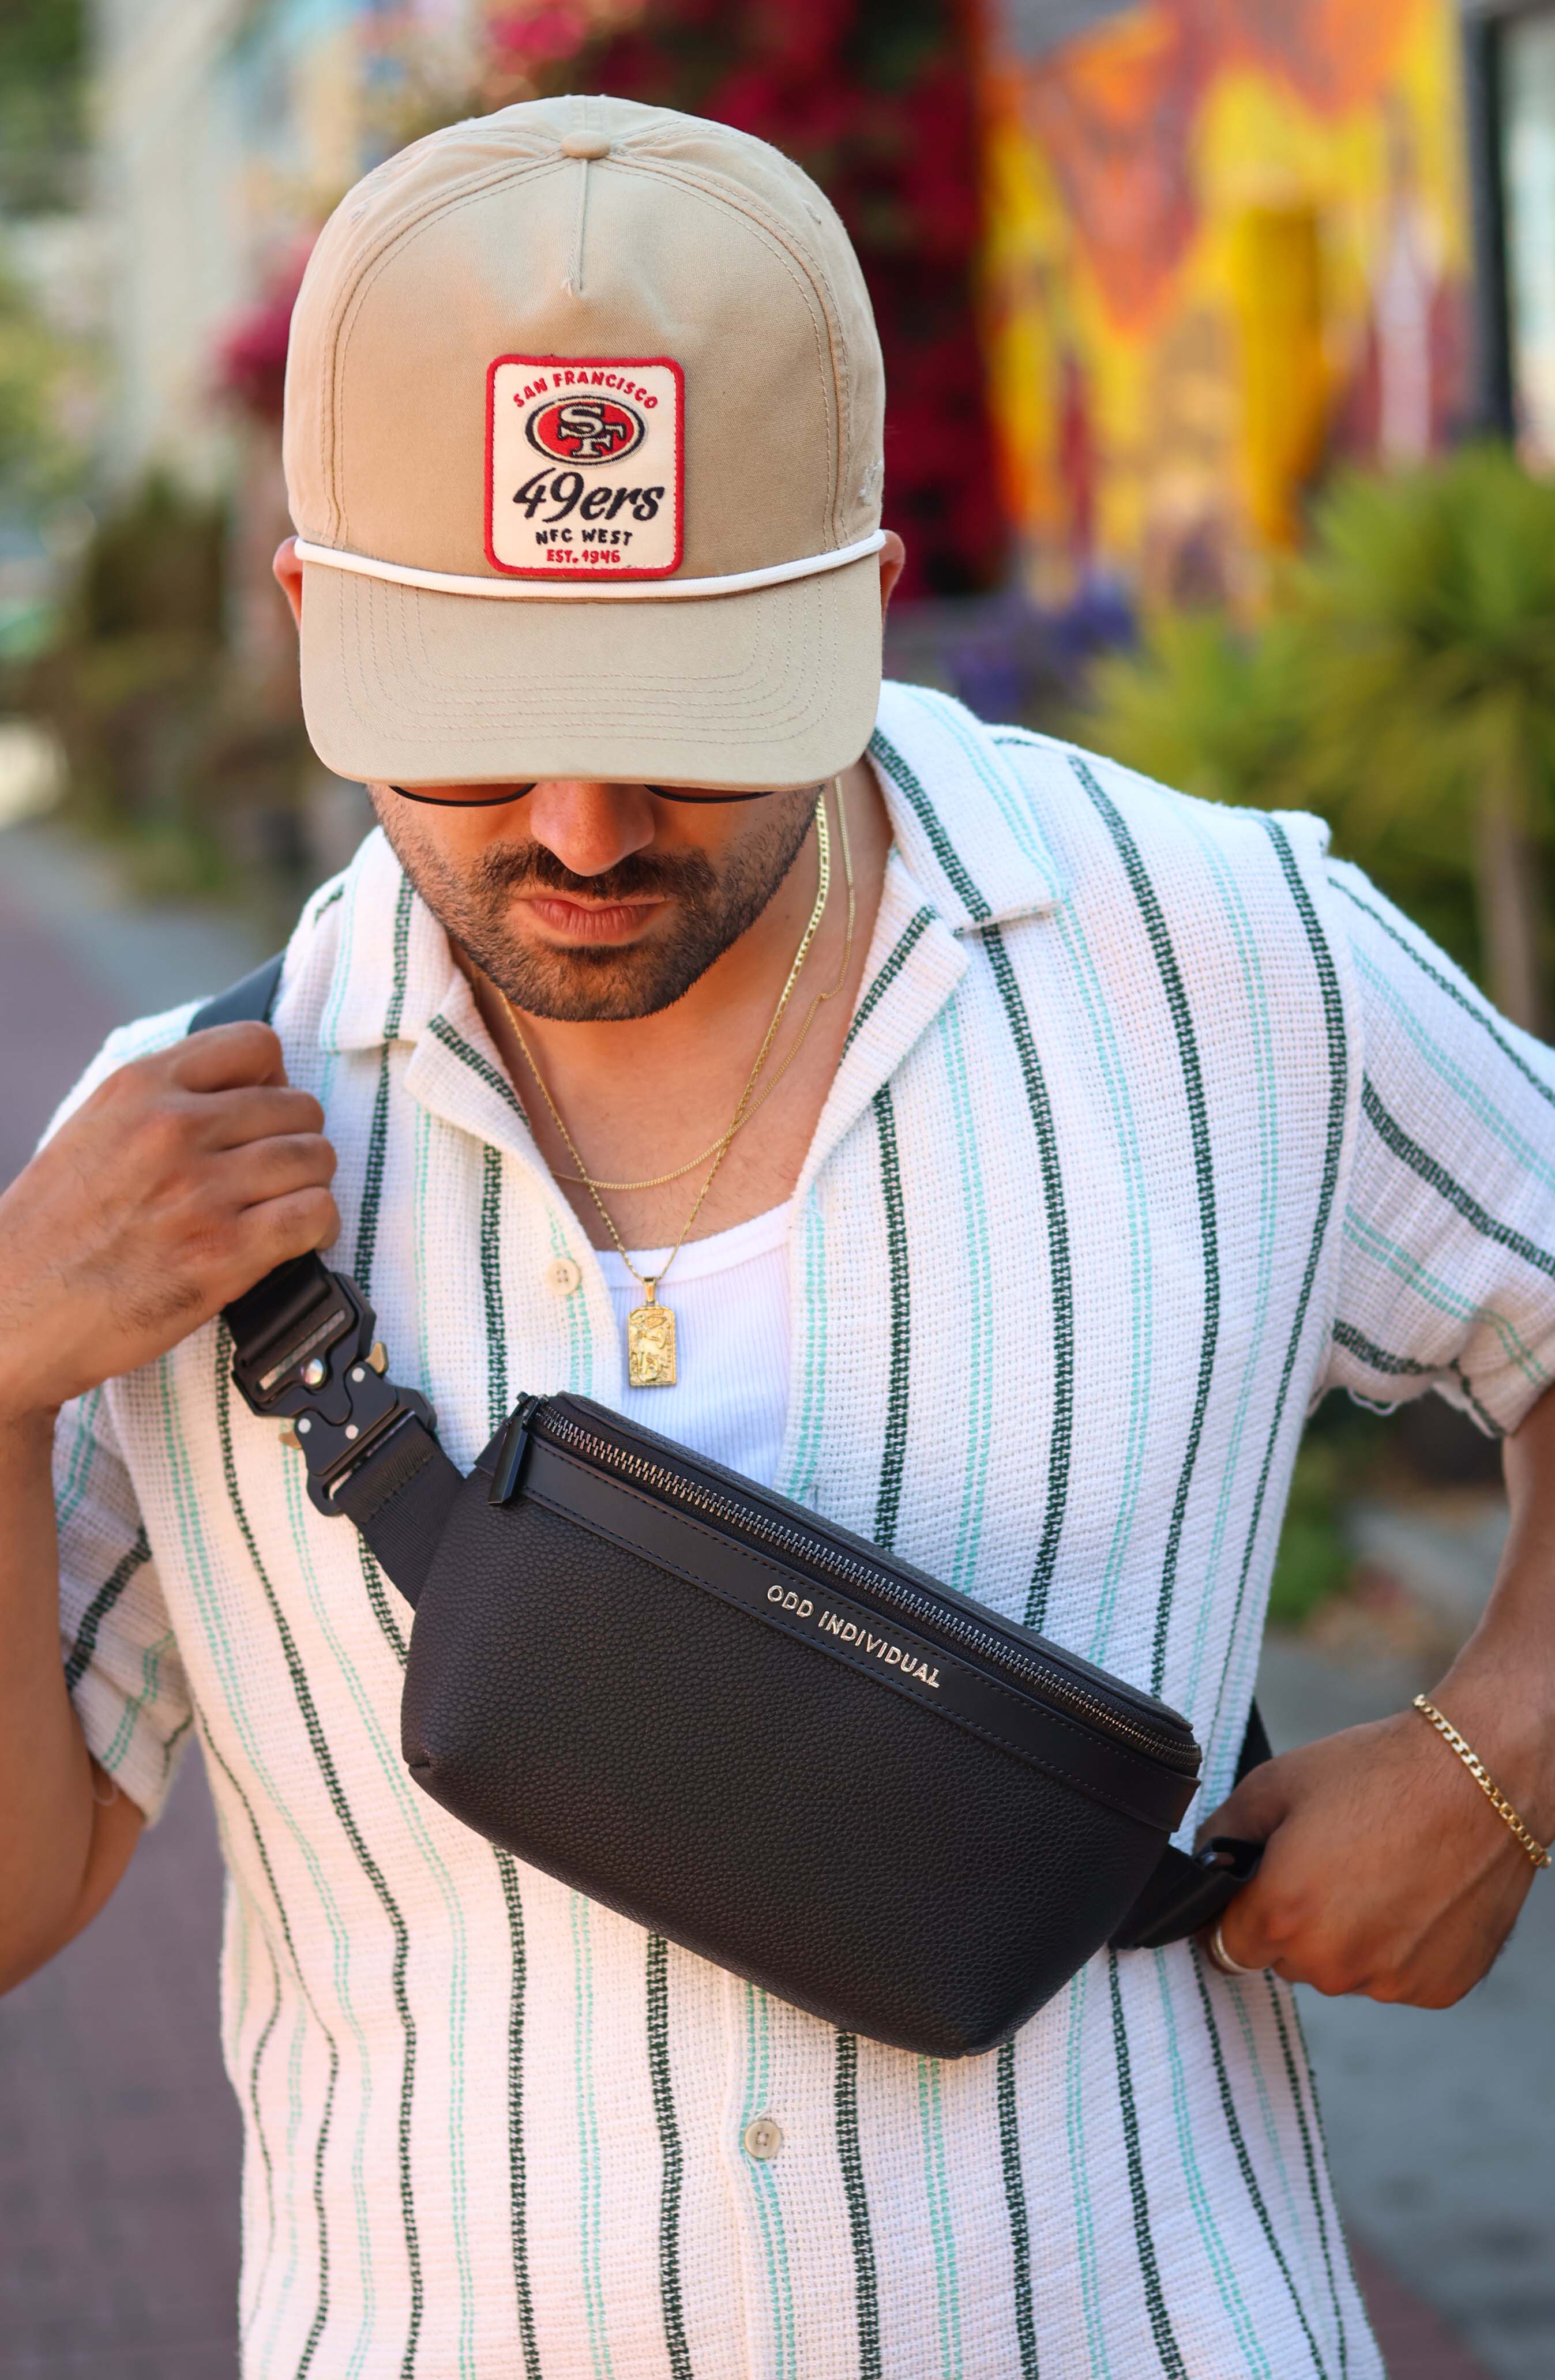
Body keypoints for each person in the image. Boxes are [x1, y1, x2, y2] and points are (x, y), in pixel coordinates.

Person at [1, 95, 1551, 2380]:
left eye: (687, 725)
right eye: (478, 734)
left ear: (858, 599)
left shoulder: (1221, 957)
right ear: (312, 617)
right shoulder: (167, 1162)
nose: (585, 829)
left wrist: (1496, 1746)